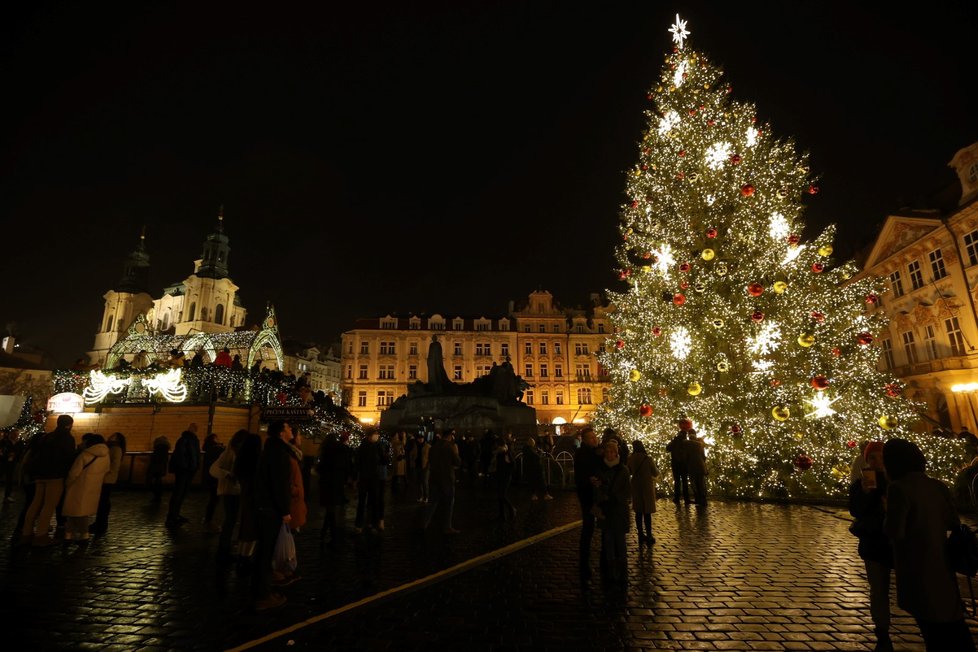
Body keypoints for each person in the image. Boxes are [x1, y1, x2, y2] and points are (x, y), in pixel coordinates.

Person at [883, 437, 976, 651]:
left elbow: (895, 531)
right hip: (942, 565)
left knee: (932, 631)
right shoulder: (937, 486)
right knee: (951, 625)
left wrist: (885, 512)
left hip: (916, 567)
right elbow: (953, 521)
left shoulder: (899, 488)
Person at [848, 441, 893, 652]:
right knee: (878, 589)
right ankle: (882, 633)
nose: (877, 462)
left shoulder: (896, 482)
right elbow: (856, 510)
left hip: (896, 542)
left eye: (881, 457)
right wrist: (865, 492)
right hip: (874, 542)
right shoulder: (863, 483)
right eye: (873, 458)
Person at [252, 420, 294, 611]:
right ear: (281, 433)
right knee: (266, 552)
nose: (291, 430)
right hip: (271, 509)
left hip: (264, 506)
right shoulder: (279, 454)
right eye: (287, 428)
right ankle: (262, 595)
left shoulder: (269, 450)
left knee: (263, 551)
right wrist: (285, 510)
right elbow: (279, 485)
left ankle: (261, 590)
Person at [19, 415, 76, 547]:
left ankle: (26, 533)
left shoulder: (47, 437)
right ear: (69, 425)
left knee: (35, 503)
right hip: (55, 476)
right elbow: (68, 458)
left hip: (40, 475)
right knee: (49, 505)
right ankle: (41, 535)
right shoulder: (67, 438)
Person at [594, 440, 632, 584]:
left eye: (612, 452)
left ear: (616, 453)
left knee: (620, 541)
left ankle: (622, 570)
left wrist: (613, 497)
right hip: (606, 510)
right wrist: (597, 488)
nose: (609, 455)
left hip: (618, 510)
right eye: (607, 452)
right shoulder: (600, 469)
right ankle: (610, 570)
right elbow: (596, 490)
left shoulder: (623, 470)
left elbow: (627, 492)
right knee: (608, 540)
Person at [63, 434, 110, 543]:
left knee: (73, 512)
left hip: (78, 486)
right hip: (94, 487)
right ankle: (81, 534)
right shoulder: (106, 455)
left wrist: (67, 483)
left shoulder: (85, 455)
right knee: (83, 513)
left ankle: (72, 534)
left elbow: (74, 473)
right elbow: (107, 470)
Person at [210, 429, 248, 561]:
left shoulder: (235, 452)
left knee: (232, 520)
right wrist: (227, 475)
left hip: (237, 490)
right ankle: (224, 548)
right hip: (231, 491)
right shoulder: (229, 453)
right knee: (230, 520)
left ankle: (226, 547)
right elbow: (214, 469)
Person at [574, 426, 602, 582]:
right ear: (584, 440)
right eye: (591, 437)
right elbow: (581, 476)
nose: (595, 439)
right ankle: (584, 561)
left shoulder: (594, 452)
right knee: (588, 528)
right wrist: (589, 479)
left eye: (595, 436)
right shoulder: (583, 454)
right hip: (587, 495)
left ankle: (588, 560)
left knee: (591, 528)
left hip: (592, 494)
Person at [317, 432, 353, 547]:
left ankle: (332, 536)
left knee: (330, 509)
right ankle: (326, 534)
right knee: (330, 509)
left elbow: (320, 467)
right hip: (338, 483)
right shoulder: (343, 450)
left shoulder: (326, 451)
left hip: (327, 483)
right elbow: (348, 465)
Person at [423, 429, 462, 534]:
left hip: (434, 478)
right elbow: (458, 462)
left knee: (432, 503)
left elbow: (430, 460)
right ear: (450, 436)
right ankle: (447, 527)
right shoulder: (450, 447)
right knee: (449, 504)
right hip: (447, 479)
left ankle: (425, 523)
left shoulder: (434, 447)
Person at [166, 423, 201, 528]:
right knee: (179, 493)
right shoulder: (186, 440)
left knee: (181, 493)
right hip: (185, 470)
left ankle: (175, 514)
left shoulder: (190, 440)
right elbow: (181, 455)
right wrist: (187, 466)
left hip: (188, 469)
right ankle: (172, 516)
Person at [627, 439, 658, 546]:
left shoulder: (630, 458)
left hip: (636, 485)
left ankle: (640, 534)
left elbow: (629, 471)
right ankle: (649, 534)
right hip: (646, 486)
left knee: (638, 511)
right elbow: (655, 472)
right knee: (647, 512)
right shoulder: (648, 458)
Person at [93, 432, 126, 536]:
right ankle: (100, 522)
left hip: (107, 478)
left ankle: (101, 523)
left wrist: (105, 472)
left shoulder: (116, 449)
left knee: (103, 501)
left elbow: (115, 464)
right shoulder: (111, 448)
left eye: (113, 436)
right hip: (106, 477)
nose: (111, 437)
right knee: (102, 501)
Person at [353, 429, 384, 533]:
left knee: (374, 501)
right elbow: (357, 464)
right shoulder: (362, 447)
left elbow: (384, 460)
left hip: (374, 478)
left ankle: (373, 523)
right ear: (369, 436)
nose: (377, 436)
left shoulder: (378, 446)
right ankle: (359, 524)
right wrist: (355, 478)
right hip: (364, 478)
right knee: (362, 502)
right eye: (375, 435)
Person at [201, 433, 225, 533]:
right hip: (215, 479)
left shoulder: (208, 449)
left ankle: (208, 519)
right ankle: (209, 520)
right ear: (214, 439)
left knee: (213, 499)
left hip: (209, 477)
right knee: (214, 500)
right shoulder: (217, 449)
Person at [494, 435, 516, 521]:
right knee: (500, 496)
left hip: (504, 477)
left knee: (502, 495)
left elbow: (512, 465)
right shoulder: (500, 452)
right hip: (500, 476)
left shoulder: (505, 453)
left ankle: (511, 509)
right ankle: (502, 514)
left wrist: (507, 473)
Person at [666, 429, 690, 505]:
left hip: (675, 464)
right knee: (684, 481)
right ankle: (686, 499)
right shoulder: (686, 442)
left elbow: (667, 449)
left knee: (677, 481)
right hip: (684, 464)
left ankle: (677, 498)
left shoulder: (674, 441)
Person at [686, 429, 708, 506]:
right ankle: (703, 500)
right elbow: (703, 456)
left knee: (694, 483)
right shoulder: (700, 444)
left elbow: (686, 456)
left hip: (692, 467)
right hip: (700, 466)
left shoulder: (687, 444)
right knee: (701, 483)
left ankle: (698, 499)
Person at [147, 434, 170, 503]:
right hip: (161, 468)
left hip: (156, 468)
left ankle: (156, 496)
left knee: (154, 482)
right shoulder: (166, 449)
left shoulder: (158, 449)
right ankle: (158, 496)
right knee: (158, 482)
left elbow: (155, 459)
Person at [412, 432, 431, 503]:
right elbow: (413, 454)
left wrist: (428, 465)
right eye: (419, 439)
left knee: (425, 482)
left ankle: (426, 497)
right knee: (419, 482)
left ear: (423, 439)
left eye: (421, 438)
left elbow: (430, 457)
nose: (420, 440)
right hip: (417, 466)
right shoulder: (415, 446)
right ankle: (421, 496)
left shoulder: (428, 446)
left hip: (425, 466)